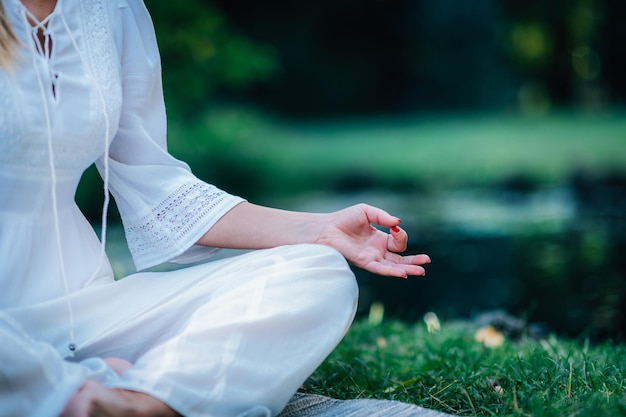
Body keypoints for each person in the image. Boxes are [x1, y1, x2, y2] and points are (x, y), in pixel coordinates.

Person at [0, 0, 436, 416]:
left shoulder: (111, 8)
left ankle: (142, 402)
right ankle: (80, 393)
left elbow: (158, 187)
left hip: (85, 317)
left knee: (317, 274)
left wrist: (321, 230)